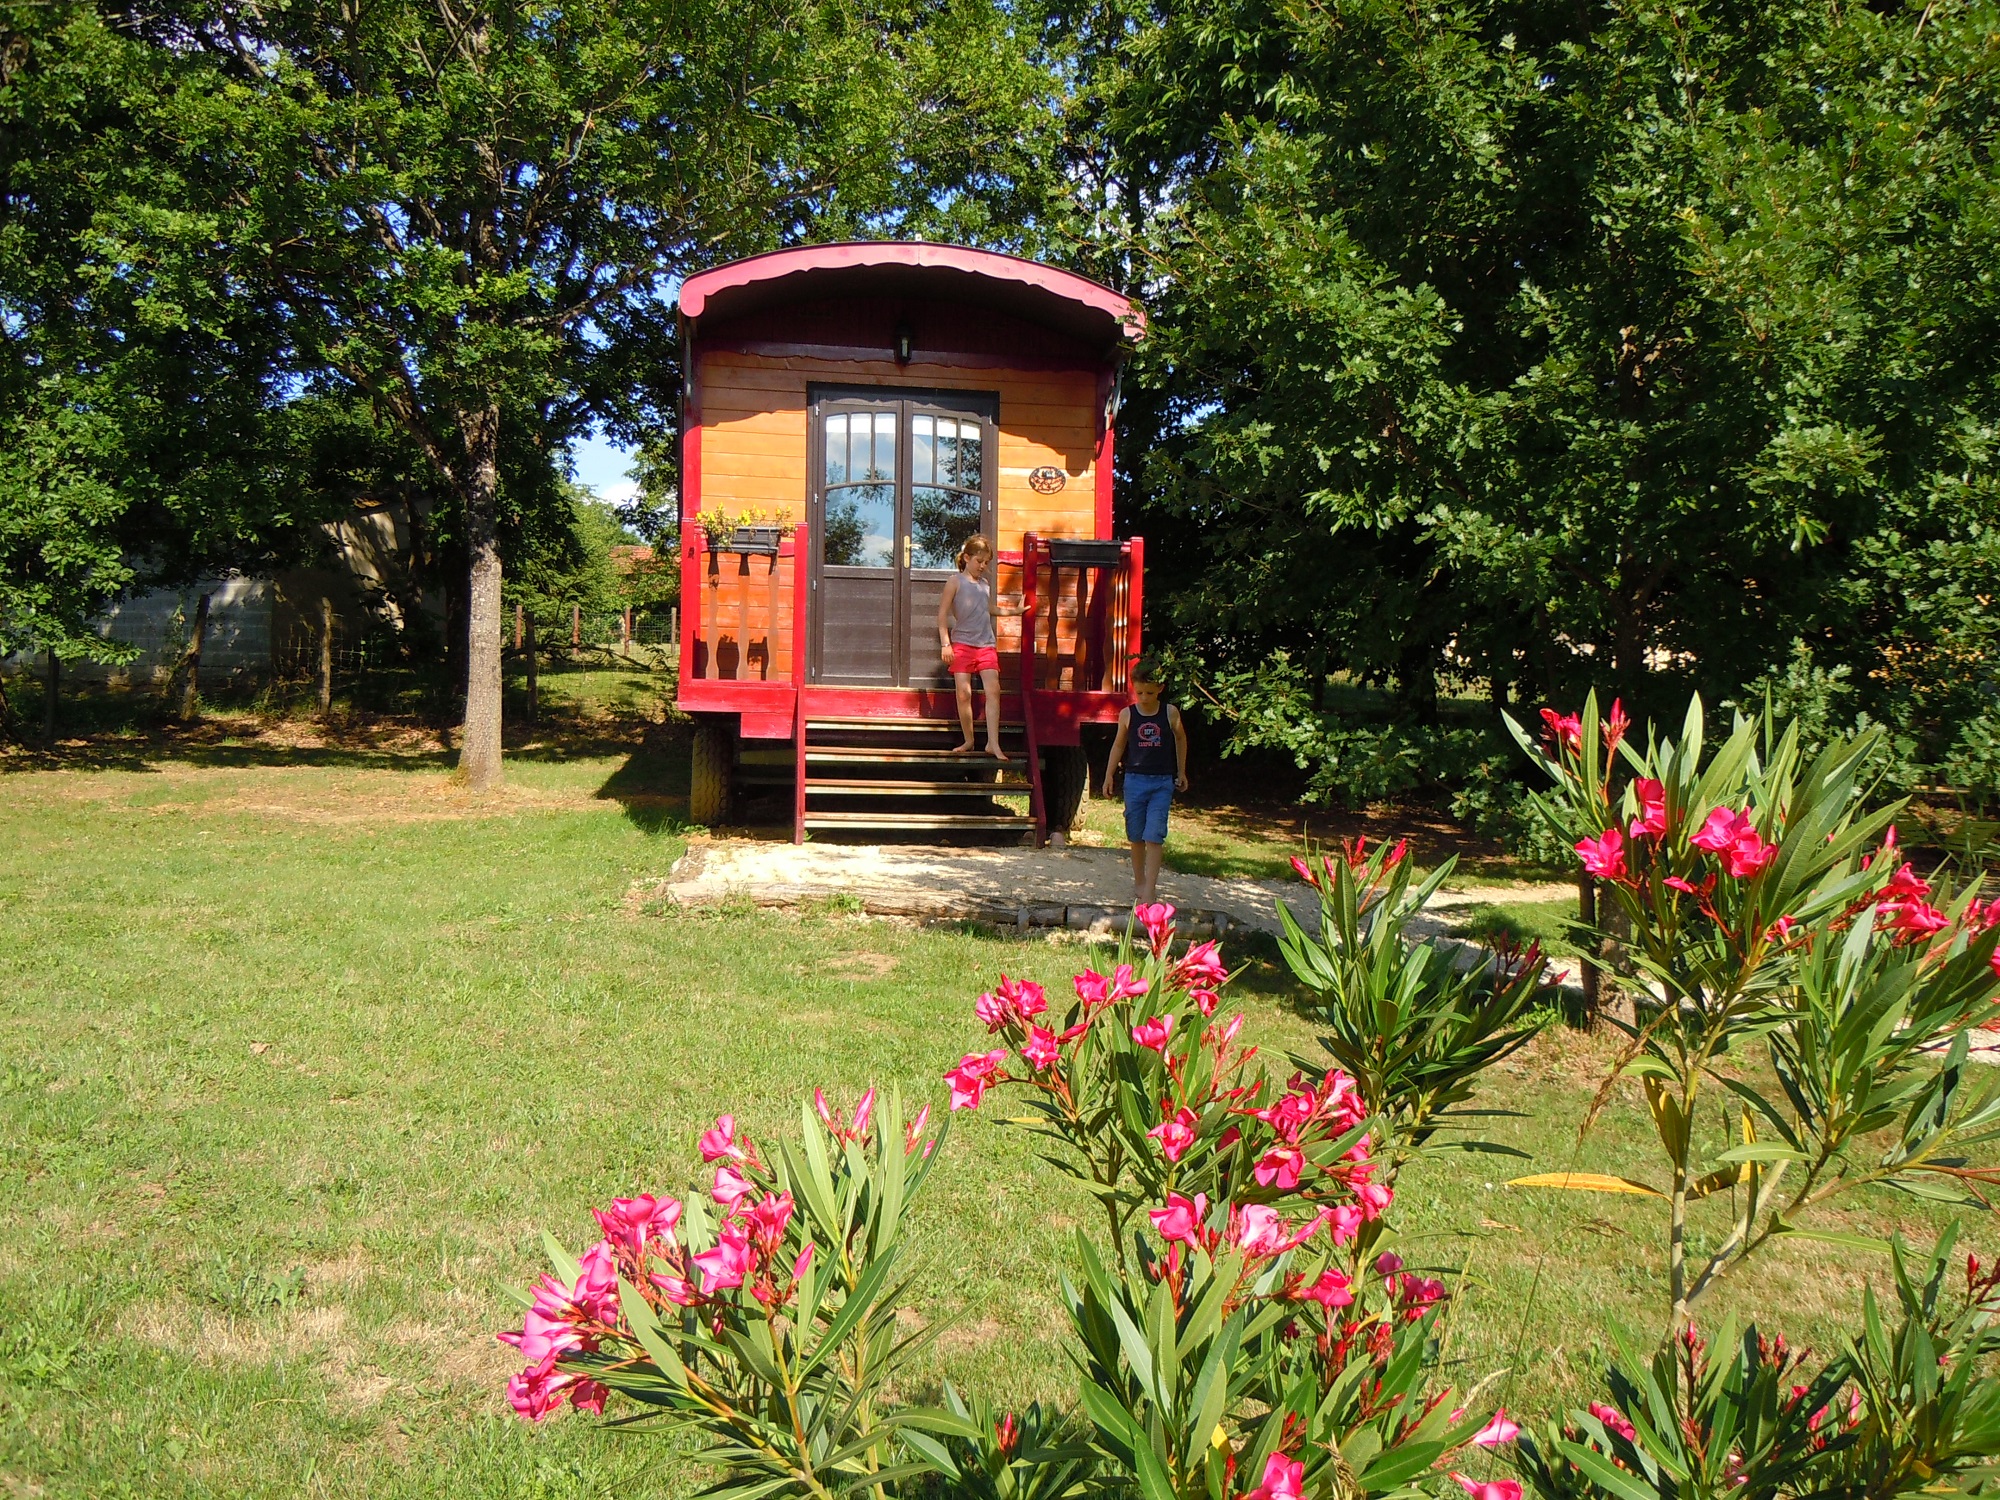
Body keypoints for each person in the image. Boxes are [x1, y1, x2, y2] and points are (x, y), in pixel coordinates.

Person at [1101, 660, 1187, 904]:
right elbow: (1119, 745)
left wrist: (1181, 771)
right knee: (1136, 834)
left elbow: (1181, 739)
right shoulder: (1128, 714)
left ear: (1160, 688)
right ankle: (1139, 881)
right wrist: (1109, 775)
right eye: (1139, 692)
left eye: (1149, 692)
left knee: (1154, 835)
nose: (1144, 697)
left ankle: (1150, 887)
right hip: (1134, 781)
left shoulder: (1170, 713)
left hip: (1162, 781)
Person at [937, 534, 1009, 760]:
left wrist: (1013, 612)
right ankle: (969, 740)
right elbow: (941, 615)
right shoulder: (955, 581)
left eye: (986, 562)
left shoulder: (985, 585)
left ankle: (993, 743)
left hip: (986, 644)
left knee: (994, 690)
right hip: (962, 644)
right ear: (967, 557)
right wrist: (946, 644)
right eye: (979, 561)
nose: (983, 566)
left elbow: (990, 610)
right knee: (963, 693)